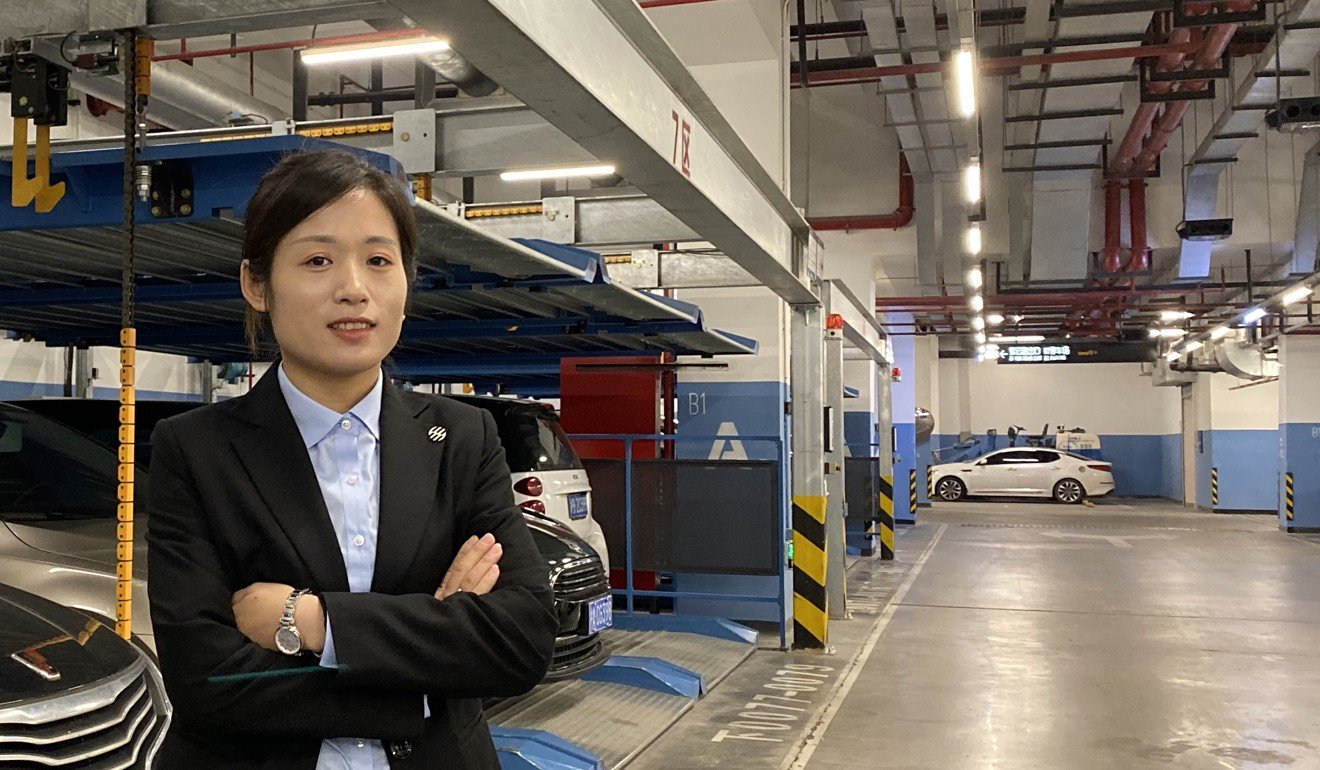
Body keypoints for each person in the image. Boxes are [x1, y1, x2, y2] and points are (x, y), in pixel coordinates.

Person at [146, 149, 557, 769]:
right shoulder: (196, 448)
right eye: (317, 260)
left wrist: (311, 621)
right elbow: (209, 681)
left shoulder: (463, 438)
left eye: (379, 261)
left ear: (405, 280)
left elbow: (521, 641)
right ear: (257, 285)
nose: (353, 289)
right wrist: (426, 672)